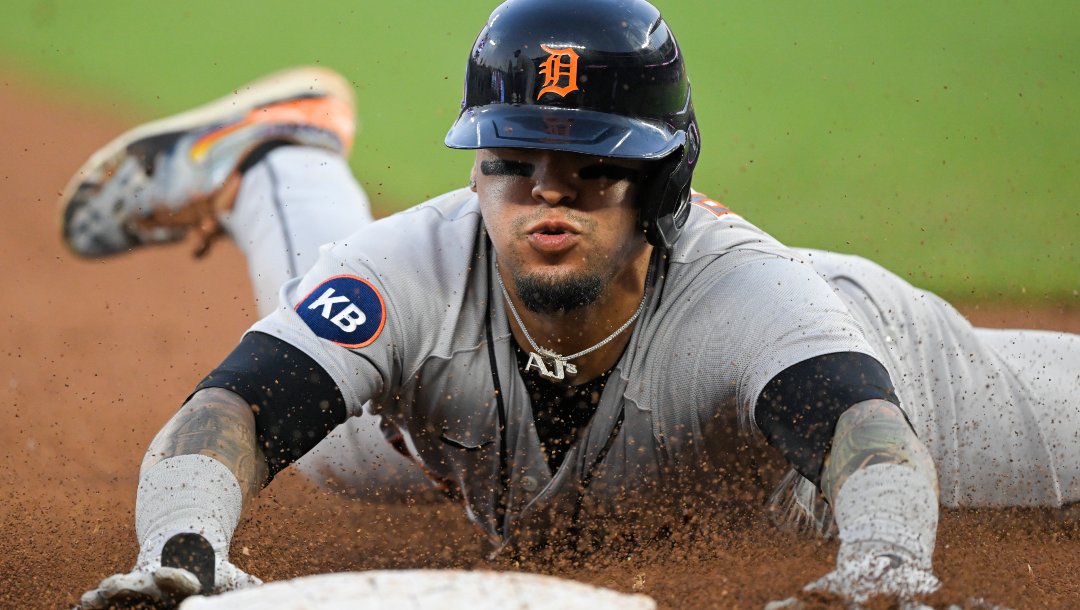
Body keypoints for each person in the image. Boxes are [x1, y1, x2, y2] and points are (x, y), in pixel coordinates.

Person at [67, 0, 1079, 608]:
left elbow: (869, 431)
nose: (547, 189)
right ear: (477, 171)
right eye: (513, 158)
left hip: (902, 368)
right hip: (455, 418)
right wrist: (179, 549)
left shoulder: (755, 297)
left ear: (660, 186)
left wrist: (889, 561)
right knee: (330, 428)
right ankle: (283, 153)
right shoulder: (413, 265)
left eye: (591, 166)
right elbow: (229, 411)